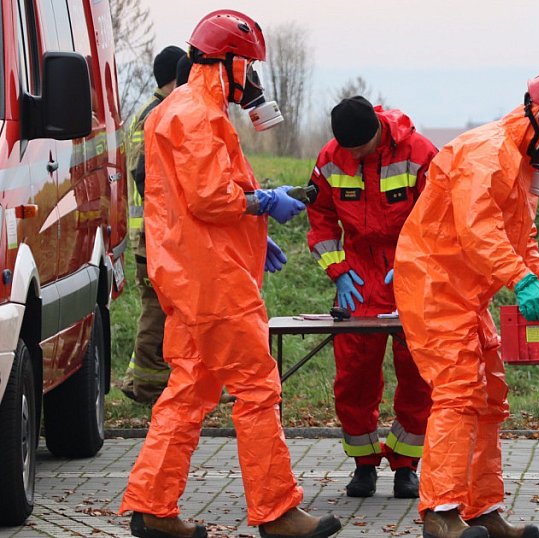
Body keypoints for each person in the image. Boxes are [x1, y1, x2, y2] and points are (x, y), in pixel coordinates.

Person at [118, 10, 341, 538]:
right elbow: (211, 196)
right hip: (214, 281)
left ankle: (153, 506)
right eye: (251, 68)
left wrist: (254, 235)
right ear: (231, 63)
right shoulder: (196, 113)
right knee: (258, 386)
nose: (254, 81)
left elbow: (192, 206)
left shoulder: (181, 109)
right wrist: (264, 203)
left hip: (194, 273)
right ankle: (277, 512)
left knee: (190, 389)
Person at [394, 68, 539, 538]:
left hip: (467, 293)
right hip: (434, 286)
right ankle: (440, 512)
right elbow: (478, 231)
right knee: (458, 394)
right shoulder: (485, 153)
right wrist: (520, 280)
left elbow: (521, 240)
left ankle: (481, 508)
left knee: (489, 400)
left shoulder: (524, 167)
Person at [306, 96, 436, 499]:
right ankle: (363, 465)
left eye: (359, 150)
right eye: (348, 150)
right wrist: (338, 270)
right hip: (359, 278)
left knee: (417, 374)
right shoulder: (330, 158)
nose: (353, 156)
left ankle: (406, 465)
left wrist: (416, 262)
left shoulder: (419, 153)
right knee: (354, 376)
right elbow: (321, 218)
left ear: (377, 132)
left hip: (410, 273)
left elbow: (438, 215)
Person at [120, 45, 187, 404]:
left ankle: (139, 378)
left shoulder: (145, 113)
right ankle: (146, 385)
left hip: (147, 234)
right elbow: (150, 180)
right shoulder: (158, 115)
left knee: (158, 307)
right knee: (156, 310)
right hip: (154, 236)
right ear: (175, 78)